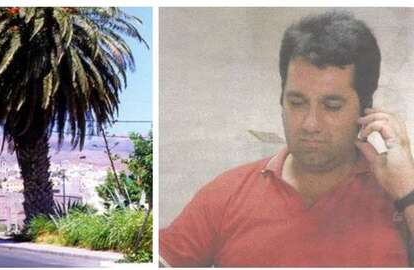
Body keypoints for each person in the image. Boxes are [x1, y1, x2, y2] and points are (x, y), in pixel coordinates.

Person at [159, 11, 414, 267]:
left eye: (332, 105)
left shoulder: (399, 195)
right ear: (281, 100)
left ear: (366, 110)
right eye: (297, 103)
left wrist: (407, 191)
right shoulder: (226, 194)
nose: (310, 123)